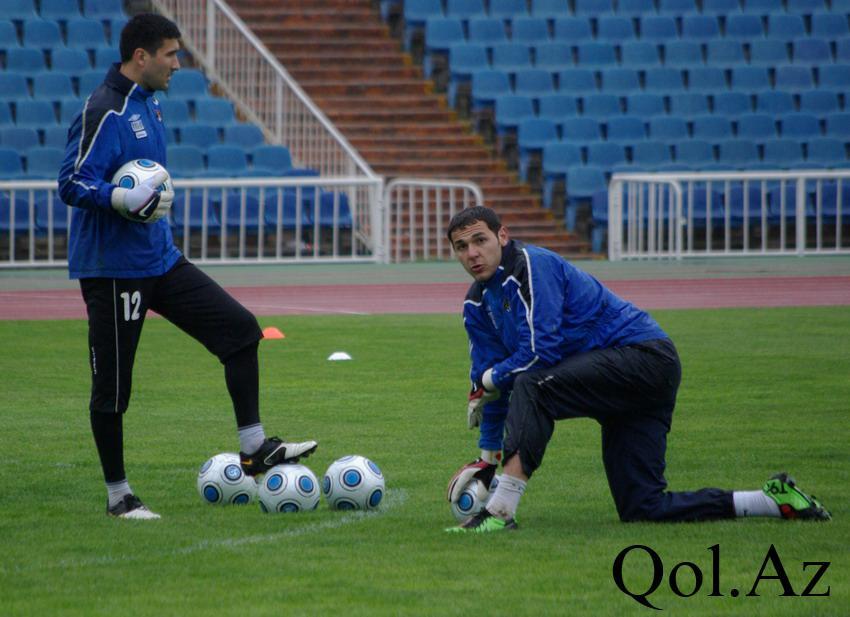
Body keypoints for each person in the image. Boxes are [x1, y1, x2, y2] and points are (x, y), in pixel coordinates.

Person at [57, 13, 316, 520]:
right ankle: (119, 497)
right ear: (141, 57)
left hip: (161, 260)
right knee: (113, 387)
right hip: (114, 270)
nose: (179, 64)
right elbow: (71, 182)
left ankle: (254, 448)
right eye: (171, 54)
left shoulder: (149, 103)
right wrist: (119, 197)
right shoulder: (104, 110)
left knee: (240, 331)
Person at [444, 206, 831, 532]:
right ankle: (770, 501)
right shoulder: (476, 305)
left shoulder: (532, 264)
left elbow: (537, 354)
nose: (473, 253)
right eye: (462, 247)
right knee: (643, 508)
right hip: (613, 378)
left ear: (503, 236)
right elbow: (490, 386)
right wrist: (487, 459)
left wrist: (488, 381)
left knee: (535, 383)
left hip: (645, 359)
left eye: (480, 240)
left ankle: (500, 512)